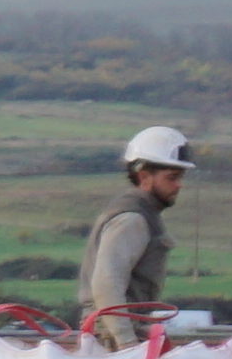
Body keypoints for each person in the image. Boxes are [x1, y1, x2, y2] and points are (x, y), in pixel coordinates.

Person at [79, 126, 192, 319]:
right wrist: (126, 342)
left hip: (118, 334)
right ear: (144, 177)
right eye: (172, 177)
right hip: (114, 340)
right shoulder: (132, 219)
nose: (179, 185)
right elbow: (107, 285)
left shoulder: (142, 214)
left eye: (180, 177)